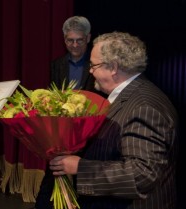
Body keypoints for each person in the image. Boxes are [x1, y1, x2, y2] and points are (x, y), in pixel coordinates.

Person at [49, 31, 178, 209]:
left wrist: (81, 167)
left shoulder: (144, 107)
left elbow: (142, 175)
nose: (90, 71)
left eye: (94, 65)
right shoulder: (130, 95)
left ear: (113, 67)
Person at [34, 16, 103, 209]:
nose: (74, 45)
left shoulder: (97, 64)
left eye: (79, 40)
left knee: (84, 189)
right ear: (64, 39)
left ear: (88, 38)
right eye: (69, 40)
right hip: (62, 136)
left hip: (90, 136)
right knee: (49, 188)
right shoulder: (57, 64)